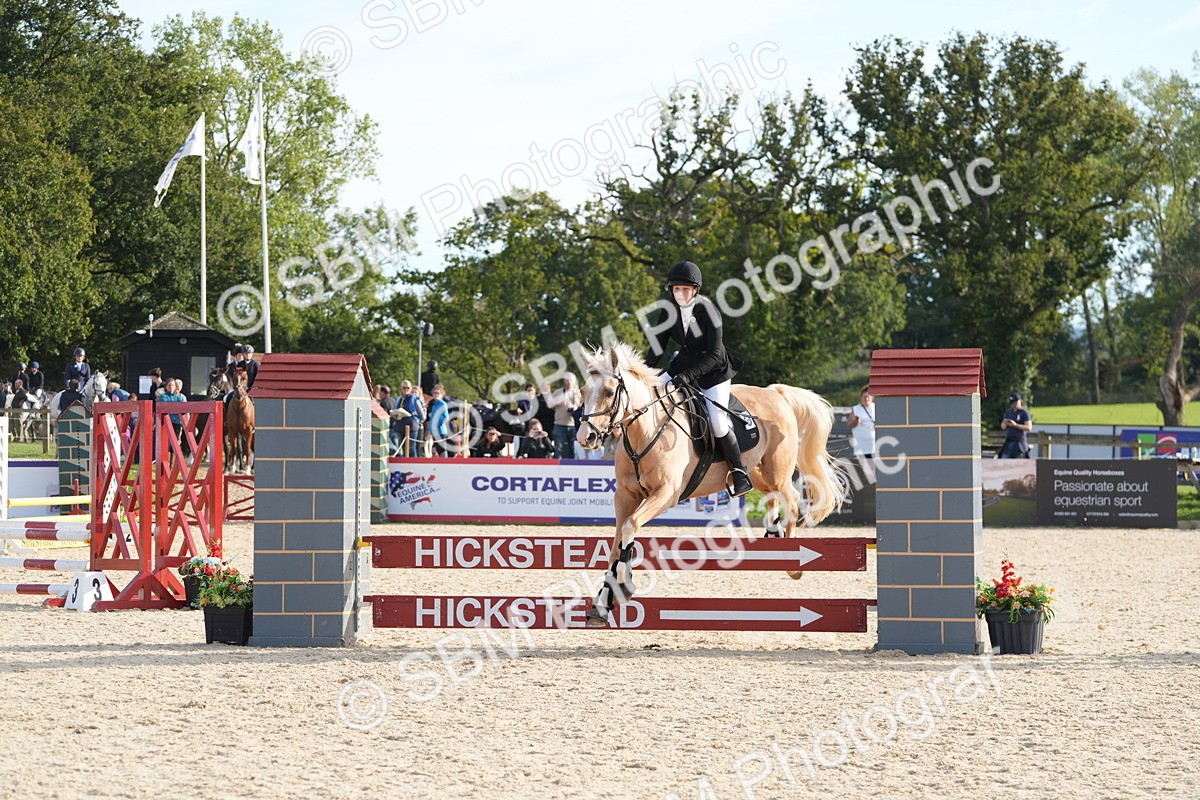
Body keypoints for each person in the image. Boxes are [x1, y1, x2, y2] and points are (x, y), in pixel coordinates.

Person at [645, 260, 752, 496]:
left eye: (685, 289)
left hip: (714, 372)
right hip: (684, 366)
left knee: (718, 422)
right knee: (648, 397)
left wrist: (688, 376)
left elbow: (714, 354)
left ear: (695, 290)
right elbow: (656, 349)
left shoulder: (709, 312)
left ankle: (739, 472)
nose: (680, 294)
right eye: (676, 289)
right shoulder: (669, 311)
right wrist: (642, 375)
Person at [546, 374, 582, 460]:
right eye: (567, 380)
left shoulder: (577, 392)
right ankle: (556, 467)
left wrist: (572, 407)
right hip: (559, 424)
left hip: (572, 424)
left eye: (571, 380)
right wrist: (558, 402)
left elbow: (579, 405)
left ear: (574, 382)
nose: (569, 382)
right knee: (558, 448)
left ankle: (573, 466)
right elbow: (549, 404)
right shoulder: (558, 392)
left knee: (572, 449)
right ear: (564, 381)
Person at [1000, 393, 1033, 458]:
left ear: (1020, 401)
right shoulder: (1008, 412)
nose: (1014, 405)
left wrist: (1015, 425)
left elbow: (1029, 428)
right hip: (1009, 442)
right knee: (1004, 461)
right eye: (1012, 403)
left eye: (1015, 403)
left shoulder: (1024, 413)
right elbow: (1003, 427)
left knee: (1017, 462)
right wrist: (1004, 423)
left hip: (1019, 443)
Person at [398, 380, 426, 458]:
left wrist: (417, 422)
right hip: (401, 426)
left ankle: (414, 463)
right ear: (401, 389)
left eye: (408, 388)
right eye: (404, 388)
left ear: (410, 388)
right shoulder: (400, 399)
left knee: (411, 447)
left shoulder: (415, 399)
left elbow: (422, 416)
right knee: (403, 447)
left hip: (412, 426)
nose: (406, 390)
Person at [847, 386, 876, 458]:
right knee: (864, 464)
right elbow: (850, 425)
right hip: (861, 444)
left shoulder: (876, 407)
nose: (866, 399)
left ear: (872, 398)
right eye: (864, 397)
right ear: (861, 398)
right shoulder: (856, 409)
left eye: (868, 397)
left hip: (875, 444)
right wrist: (856, 421)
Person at [426, 383, 451, 457]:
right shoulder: (434, 405)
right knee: (438, 449)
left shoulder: (443, 404)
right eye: (434, 393)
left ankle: (444, 462)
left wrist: (438, 425)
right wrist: (429, 429)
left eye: (438, 393)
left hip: (440, 431)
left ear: (441, 394)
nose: (436, 394)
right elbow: (432, 418)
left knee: (442, 449)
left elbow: (446, 417)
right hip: (434, 431)